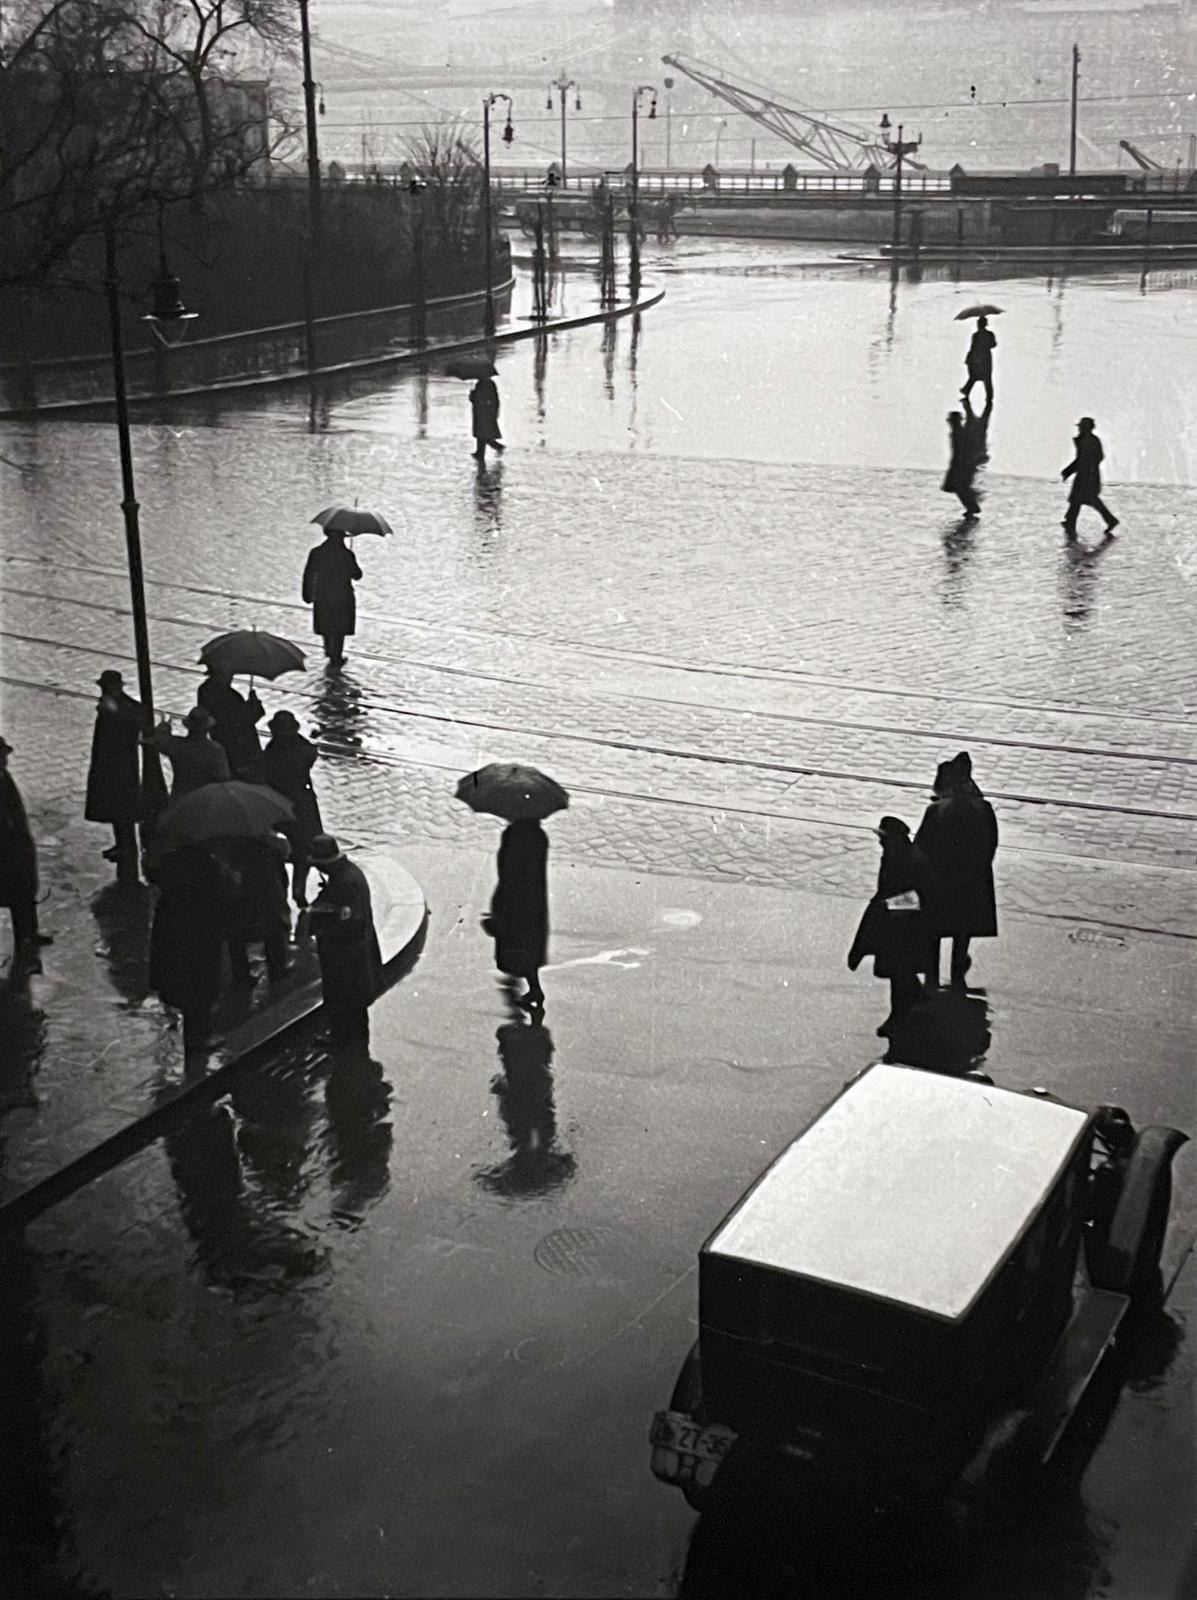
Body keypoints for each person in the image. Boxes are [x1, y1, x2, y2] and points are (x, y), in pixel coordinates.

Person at [915, 751, 999, 990]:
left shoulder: (936, 811)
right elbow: (991, 844)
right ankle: (958, 969)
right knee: (963, 930)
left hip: (940, 881)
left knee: (934, 930)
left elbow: (921, 847)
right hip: (972, 881)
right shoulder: (984, 808)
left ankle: (931, 975)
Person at [848, 816, 931, 1037]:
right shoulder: (900, 855)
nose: (880, 843)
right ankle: (914, 995)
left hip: (903, 926)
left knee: (898, 971)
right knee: (901, 971)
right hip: (898, 924)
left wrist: (886, 907)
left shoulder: (904, 860)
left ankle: (899, 1017)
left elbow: (917, 896)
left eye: (883, 838)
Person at [146, 841, 226, 1053]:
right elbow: (220, 895)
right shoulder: (209, 865)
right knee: (200, 988)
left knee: (184, 982)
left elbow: (154, 877)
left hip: (172, 932)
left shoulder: (167, 862)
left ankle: (195, 1039)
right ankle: (199, 1040)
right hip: (200, 932)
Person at [307, 834, 383, 1044]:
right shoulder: (348, 874)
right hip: (356, 949)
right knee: (355, 1004)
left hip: (347, 953)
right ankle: (354, 1038)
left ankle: (342, 1040)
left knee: (344, 1000)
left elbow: (345, 920)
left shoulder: (345, 883)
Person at [484, 818, 549, 1012]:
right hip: (533, 901)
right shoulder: (540, 836)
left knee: (515, 943)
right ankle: (534, 988)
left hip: (513, 900)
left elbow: (505, 869)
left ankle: (532, 988)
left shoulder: (512, 834)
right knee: (528, 946)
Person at [260, 710, 324, 907]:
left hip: (276, 803)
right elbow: (311, 754)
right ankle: (299, 888)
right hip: (301, 802)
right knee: (303, 848)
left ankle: (278, 888)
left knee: (273, 846)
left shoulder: (272, 750)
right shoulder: (303, 749)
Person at [0, 735, 52, 954]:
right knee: (18, 892)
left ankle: (29, 935)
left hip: (15, 844)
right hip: (8, 846)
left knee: (23, 893)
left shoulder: (3, 776)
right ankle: (26, 938)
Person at [84, 669, 143, 861]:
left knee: (120, 808)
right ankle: (123, 845)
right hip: (118, 764)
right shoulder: (125, 705)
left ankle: (126, 847)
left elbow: (129, 725)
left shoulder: (119, 708)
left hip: (116, 765)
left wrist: (113, 712)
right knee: (119, 808)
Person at [302, 529, 363, 669]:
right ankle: (336, 655)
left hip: (323, 594)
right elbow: (357, 575)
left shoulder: (317, 552)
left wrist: (307, 593)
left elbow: (308, 574)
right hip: (342, 595)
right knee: (339, 628)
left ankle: (329, 649)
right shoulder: (346, 554)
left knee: (325, 623)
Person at [147, 706, 230, 798]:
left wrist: (164, 728)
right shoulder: (216, 750)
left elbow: (157, 741)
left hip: (181, 796)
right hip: (206, 797)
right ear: (207, 728)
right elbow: (223, 777)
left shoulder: (176, 746)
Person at [197, 665, 263, 778]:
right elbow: (245, 720)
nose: (231, 677)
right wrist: (254, 704)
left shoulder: (204, 689)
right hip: (240, 747)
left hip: (219, 738)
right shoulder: (231, 696)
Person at [1061, 416, 1119, 537]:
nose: (1079, 429)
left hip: (1086, 476)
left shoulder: (1088, 441)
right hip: (1088, 475)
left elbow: (1082, 459)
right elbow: (1098, 457)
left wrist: (1068, 471)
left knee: (1081, 499)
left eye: (1081, 427)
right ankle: (1069, 522)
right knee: (1080, 500)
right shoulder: (1091, 440)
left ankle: (1071, 523)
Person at [941, 410, 981, 517]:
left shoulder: (959, 433)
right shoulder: (957, 432)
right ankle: (972, 506)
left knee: (958, 486)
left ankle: (972, 506)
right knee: (957, 486)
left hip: (961, 464)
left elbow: (962, 450)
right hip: (961, 463)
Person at [961, 314, 996, 407]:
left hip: (978, 358)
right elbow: (993, 344)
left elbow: (973, 348)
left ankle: (966, 391)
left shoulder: (976, 335)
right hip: (986, 358)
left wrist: (969, 358)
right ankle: (989, 397)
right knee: (987, 378)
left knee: (975, 376)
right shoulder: (989, 334)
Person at [469, 375, 504, 462]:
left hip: (483, 413)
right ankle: (480, 452)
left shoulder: (483, 385)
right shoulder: (488, 384)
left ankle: (483, 452)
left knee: (482, 434)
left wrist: (473, 393)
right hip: (483, 412)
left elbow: (476, 398)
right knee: (482, 434)